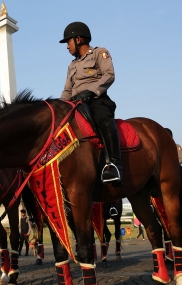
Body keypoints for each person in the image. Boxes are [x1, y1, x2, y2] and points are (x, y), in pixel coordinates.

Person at [59, 21, 122, 184]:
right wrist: (58, 107)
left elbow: (109, 75)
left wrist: (90, 91)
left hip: (96, 100)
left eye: (68, 41)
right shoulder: (71, 65)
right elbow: (67, 90)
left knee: (103, 119)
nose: (67, 46)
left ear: (78, 39)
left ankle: (114, 164)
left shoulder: (99, 53)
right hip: (75, 105)